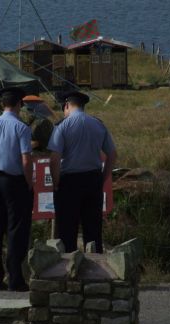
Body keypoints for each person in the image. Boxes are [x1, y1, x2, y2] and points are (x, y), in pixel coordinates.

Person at [0, 86, 34, 291]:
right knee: (16, 230)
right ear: (20, 103)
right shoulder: (22, 128)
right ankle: (15, 278)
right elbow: (26, 161)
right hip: (15, 180)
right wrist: (29, 183)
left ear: (2, 104)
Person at [47, 91, 116, 253]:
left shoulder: (62, 126)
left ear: (66, 106)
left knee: (67, 230)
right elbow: (112, 155)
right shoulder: (98, 124)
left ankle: (69, 269)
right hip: (93, 180)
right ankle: (96, 271)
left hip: (69, 183)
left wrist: (56, 183)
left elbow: (54, 159)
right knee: (93, 231)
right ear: (83, 106)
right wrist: (102, 178)